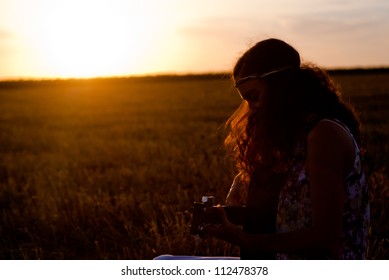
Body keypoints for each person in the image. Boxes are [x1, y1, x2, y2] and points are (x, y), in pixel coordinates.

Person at [203, 38, 370, 259]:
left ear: (281, 87)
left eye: (254, 97)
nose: (251, 110)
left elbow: (325, 239)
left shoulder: (324, 135)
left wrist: (243, 239)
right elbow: (290, 215)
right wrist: (226, 216)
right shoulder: (292, 137)